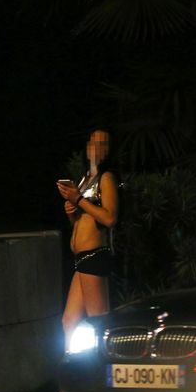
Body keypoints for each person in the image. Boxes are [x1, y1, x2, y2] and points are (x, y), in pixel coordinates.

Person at [56, 128, 120, 345]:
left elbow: (110, 218)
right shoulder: (84, 180)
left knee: (99, 322)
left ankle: (107, 371)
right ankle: (73, 370)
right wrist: (72, 213)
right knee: (69, 321)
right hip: (81, 258)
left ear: (109, 151)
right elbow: (82, 223)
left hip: (95, 256)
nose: (97, 148)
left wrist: (79, 201)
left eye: (103, 144)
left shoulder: (106, 178)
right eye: (93, 142)